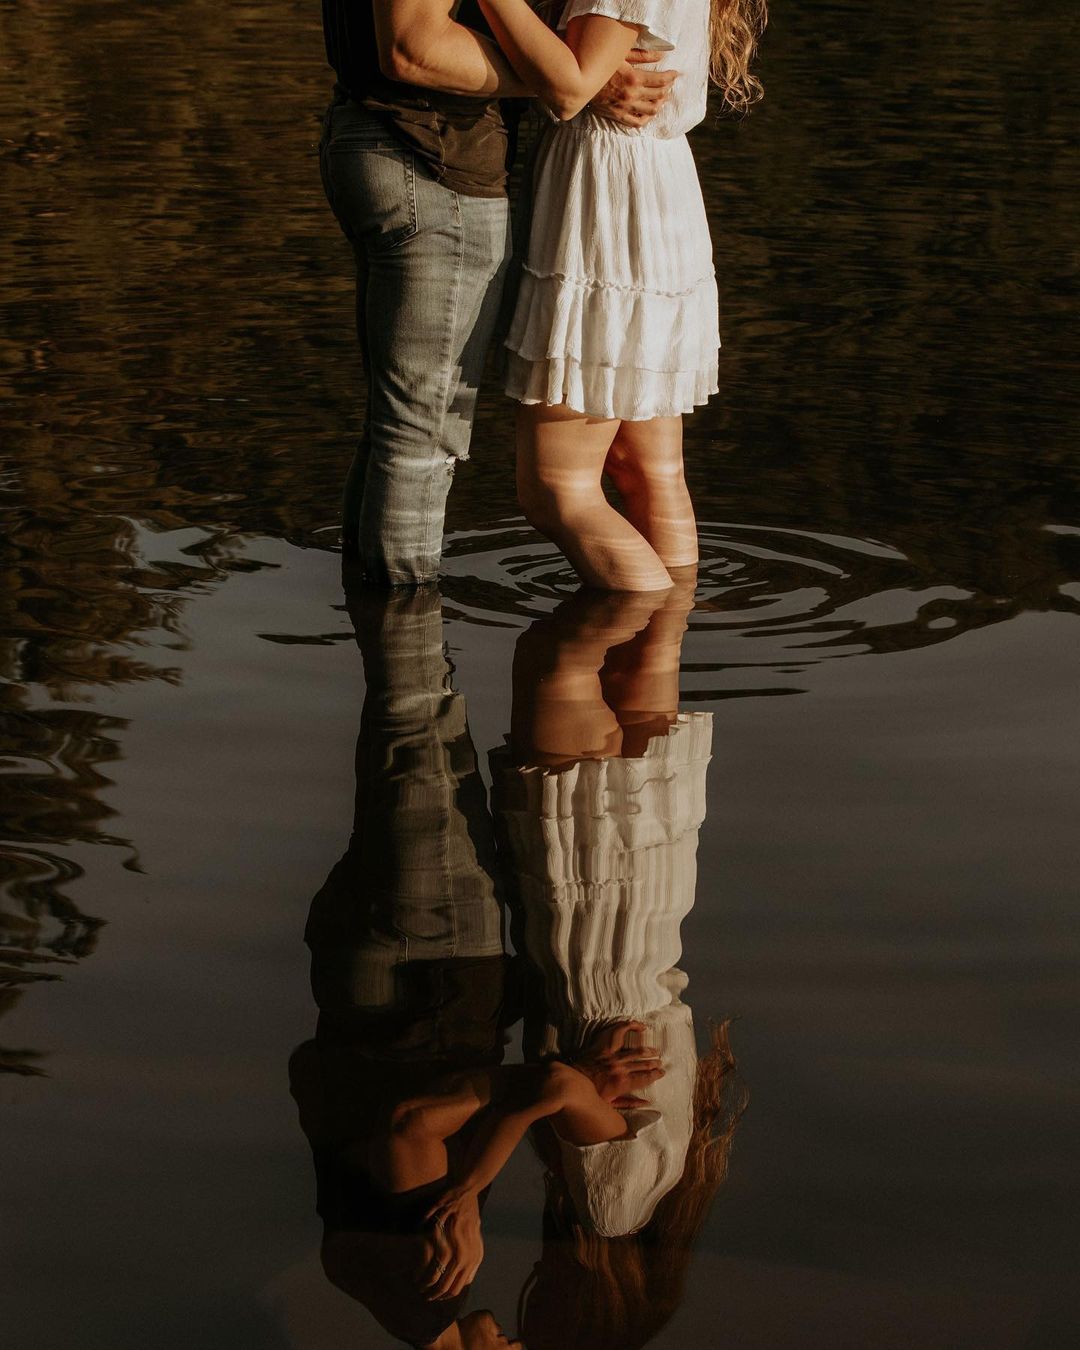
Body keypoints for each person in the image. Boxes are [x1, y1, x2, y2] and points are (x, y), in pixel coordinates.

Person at [318, 0, 680, 585]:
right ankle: (408, 636)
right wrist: (575, 78)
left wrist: (571, 76)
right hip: (430, 163)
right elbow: (414, 49)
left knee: (398, 428)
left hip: (396, 149)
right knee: (422, 438)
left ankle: (375, 619)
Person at [490, 585, 748, 1347]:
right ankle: (591, 530)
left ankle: (650, 528)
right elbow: (568, 1089)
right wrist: (475, 1173)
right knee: (556, 655)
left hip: (653, 920)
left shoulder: (672, 1188)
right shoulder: (609, 1212)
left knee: (656, 636)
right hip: (594, 933)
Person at [476, 0, 767, 590]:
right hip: (652, 184)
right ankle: (668, 636)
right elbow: (586, 75)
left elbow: (570, 87)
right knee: (648, 470)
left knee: (557, 490)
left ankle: (644, 615)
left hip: (606, 197)